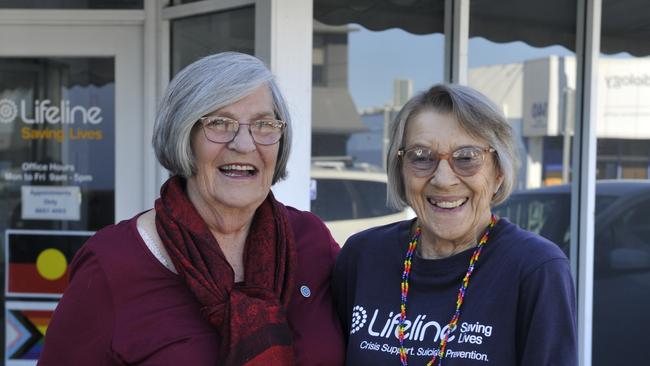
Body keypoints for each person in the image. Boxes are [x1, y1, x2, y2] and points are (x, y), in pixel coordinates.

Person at [39, 52, 344, 365]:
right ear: (184, 135)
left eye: (264, 124)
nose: (244, 144)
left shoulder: (311, 243)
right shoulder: (113, 263)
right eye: (219, 123)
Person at [332, 84, 577, 365]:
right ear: (401, 169)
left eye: (467, 158)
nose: (443, 179)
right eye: (422, 157)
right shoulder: (363, 256)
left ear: (498, 171)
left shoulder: (535, 269)